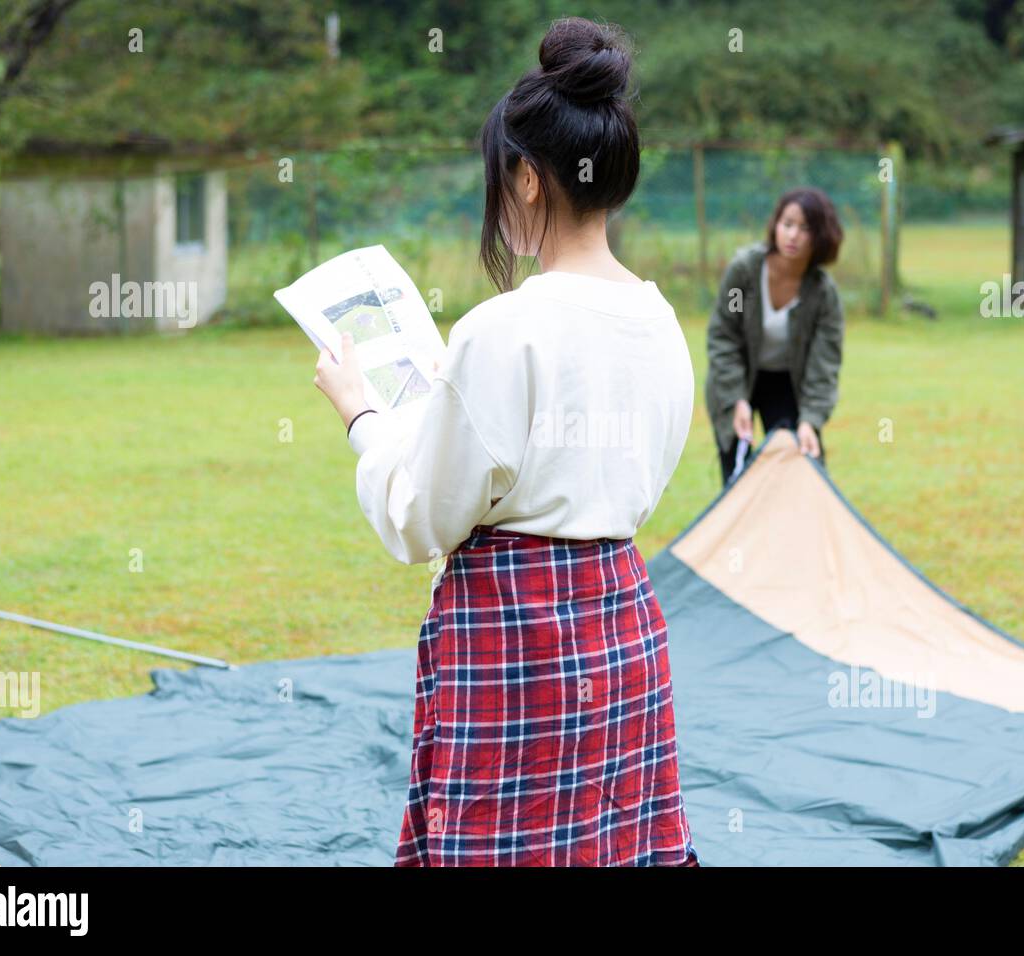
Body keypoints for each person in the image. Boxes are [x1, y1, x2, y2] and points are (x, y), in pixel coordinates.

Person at [313, 17, 700, 867]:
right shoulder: (662, 322)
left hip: (515, 642)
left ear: (528, 178)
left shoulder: (504, 329)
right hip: (624, 624)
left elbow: (420, 520)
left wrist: (363, 417)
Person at [705, 187, 846, 484]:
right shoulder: (743, 272)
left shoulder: (823, 294)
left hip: (786, 383)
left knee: (801, 469)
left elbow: (825, 366)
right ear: (775, 226)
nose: (793, 235)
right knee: (737, 474)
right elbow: (723, 337)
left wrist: (811, 420)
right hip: (737, 376)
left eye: (805, 228)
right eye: (788, 224)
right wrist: (734, 399)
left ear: (821, 236)